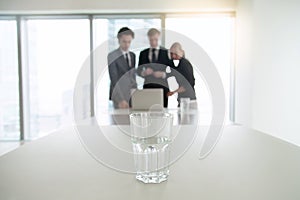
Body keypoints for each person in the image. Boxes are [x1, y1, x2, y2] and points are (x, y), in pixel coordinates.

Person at [137, 28, 170, 107]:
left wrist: (163, 74)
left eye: (155, 39)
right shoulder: (143, 53)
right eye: (151, 40)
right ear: (148, 39)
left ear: (159, 37)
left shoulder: (166, 52)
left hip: (163, 88)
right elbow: (138, 70)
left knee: (162, 113)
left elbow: (173, 71)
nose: (153, 42)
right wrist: (144, 72)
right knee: (148, 112)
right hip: (148, 88)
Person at [107, 27, 137, 109]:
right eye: (124, 42)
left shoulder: (132, 55)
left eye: (129, 42)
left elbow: (132, 76)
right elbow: (114, 79)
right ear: (118, 40)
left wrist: (135, 94)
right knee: (119, 120)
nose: (127, 45)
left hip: (131, 96)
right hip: (118, 96)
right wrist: (120, 100)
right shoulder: (112, 56)